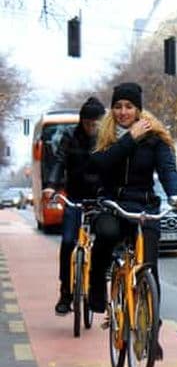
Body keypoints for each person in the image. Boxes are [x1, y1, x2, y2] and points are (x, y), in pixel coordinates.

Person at [88, 83, 177, 355]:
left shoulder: (155, 138)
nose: (123, 112)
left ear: (138, 109)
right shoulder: (105, 135)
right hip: (112, 204)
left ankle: (150, 333)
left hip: (144, 206)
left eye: (129, 107)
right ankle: (97, 286)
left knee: (150, 268)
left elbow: (168, 172)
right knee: (107, 235)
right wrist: (129, 139)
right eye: (118, 106)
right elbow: (101, 164)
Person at [43, 97, 106, 315]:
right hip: (75, 196)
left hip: (100, 197)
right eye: (88, 123)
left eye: (95, 123)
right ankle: (65, 293)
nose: (91, 127)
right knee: (68, 241)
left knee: (105, 240)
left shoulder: (107, 138)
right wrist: (51, 186)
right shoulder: (70, 137)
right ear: (82, 122)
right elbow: (59, 162)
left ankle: (98, 286)